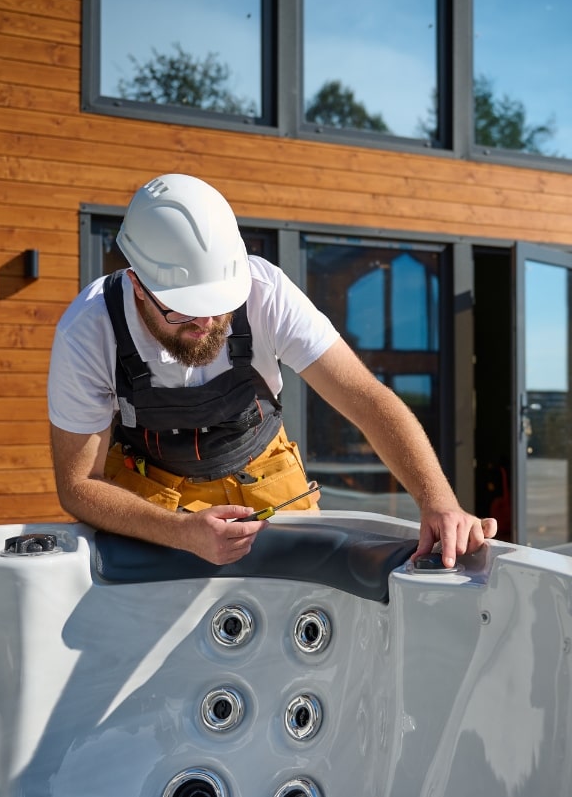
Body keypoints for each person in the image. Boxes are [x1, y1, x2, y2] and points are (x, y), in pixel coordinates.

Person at [48, 173, 496, 567]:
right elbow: (79, 484)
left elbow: (366, 399)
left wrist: (439, 501)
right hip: (148, 497)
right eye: (182, 310)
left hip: (266, 478)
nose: (205, 324)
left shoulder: (266, 292)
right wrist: (179, 531)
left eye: (218, 305)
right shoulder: (88, 330)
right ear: (137, 285)